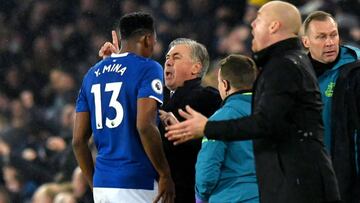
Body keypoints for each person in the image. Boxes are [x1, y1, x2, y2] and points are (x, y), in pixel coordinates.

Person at [165, 1, 341, 203]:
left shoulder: (283, 66)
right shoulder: (291, 62)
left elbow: (265, 124)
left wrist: (207, 127)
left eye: (258, 19)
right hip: (300, 182)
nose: (252, 24)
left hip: (298, 186)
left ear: (274, 26)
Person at [99, 37, 221, 203]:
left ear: (196, 68)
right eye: (167, 58)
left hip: (184, 192)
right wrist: (114, 67)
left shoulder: (206, 97)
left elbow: (215, 147)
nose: (168, 62)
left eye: (176, 58)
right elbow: (122, 109)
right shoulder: (156, 95)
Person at [72, 12, 175, 203]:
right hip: (137, 181)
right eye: (154, 41)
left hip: (103, 185)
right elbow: (145, 126)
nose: (154, 46)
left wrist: (95, 185)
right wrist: (165, 173)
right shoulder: (149, 68)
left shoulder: (92, 74)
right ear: (147, 38)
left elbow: (78, 141)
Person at [301, 11, 360, 203]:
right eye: (321, 37)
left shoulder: (354, 69)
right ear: (306, 42)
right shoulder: (296, 78)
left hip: (350, 179)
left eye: (333, 35)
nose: (329, 42)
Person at [195, 54, 259, 203]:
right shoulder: (271, 115)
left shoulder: (220, 120)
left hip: (231, 197)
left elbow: (206, 172)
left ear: (225, 85)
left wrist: (201, 195)